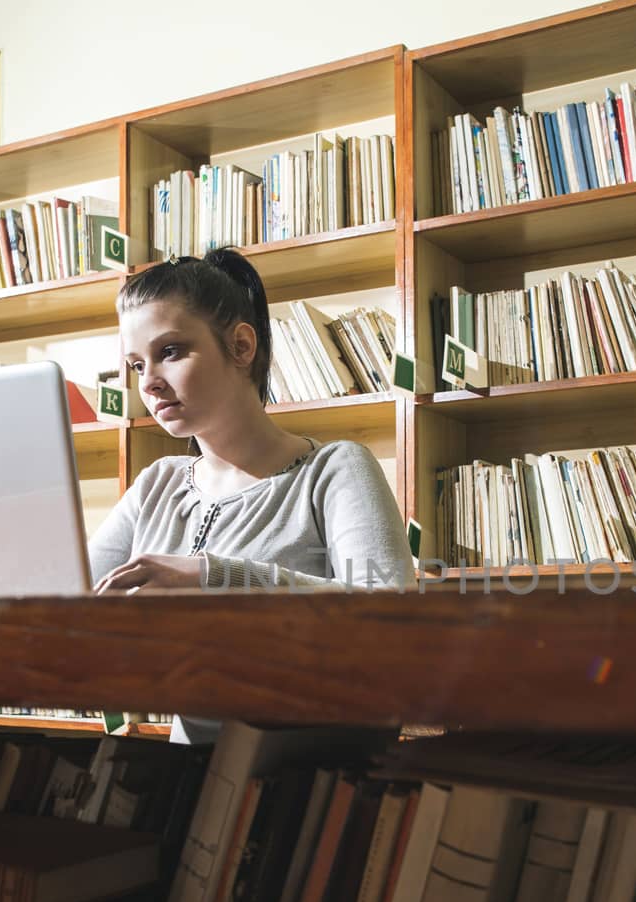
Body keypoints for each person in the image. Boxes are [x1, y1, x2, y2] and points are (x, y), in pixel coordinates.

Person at [88, 249, 413, 739]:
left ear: (241, 346)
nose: (150, 383)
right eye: (136, 365)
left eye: (170, 351)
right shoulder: (158, 484)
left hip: (309, 779)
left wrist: (214, 576)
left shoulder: (333, 470)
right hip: (193, 779)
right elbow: (66, 600)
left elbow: (393, 624)